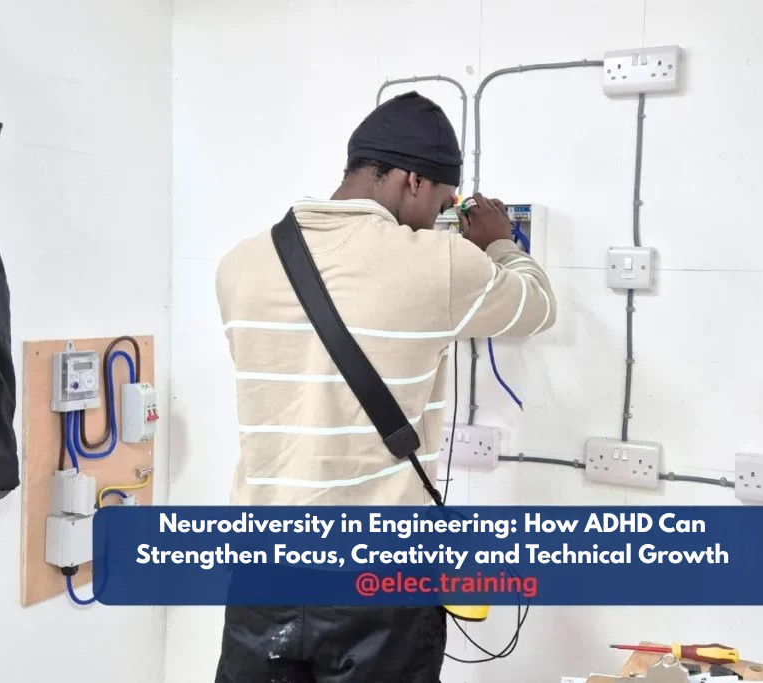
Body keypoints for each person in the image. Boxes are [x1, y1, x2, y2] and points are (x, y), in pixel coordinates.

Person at [213, 91, 556, 683]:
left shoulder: (239, 263)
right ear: (413, 181)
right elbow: (538, 307)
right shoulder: (440, 263)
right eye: (443, 202)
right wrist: (498, 240)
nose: (438, 217)